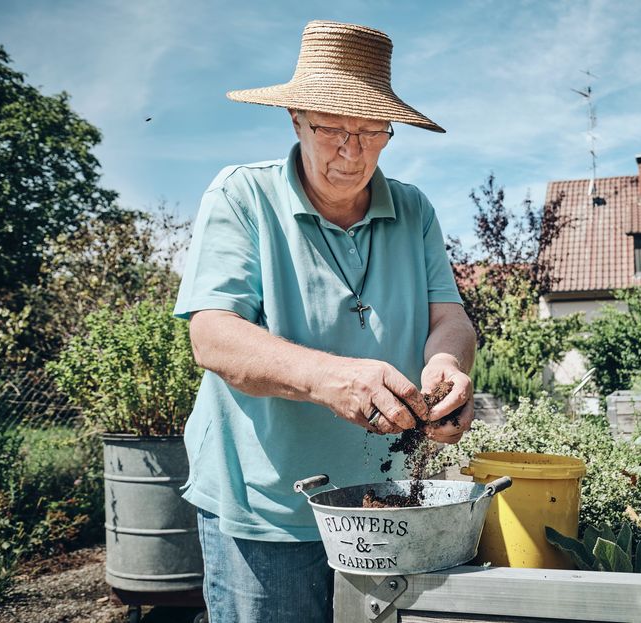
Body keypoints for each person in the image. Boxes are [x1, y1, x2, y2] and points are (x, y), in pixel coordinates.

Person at [172, 20, 476, 622]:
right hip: (267, 513)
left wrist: (445, 364)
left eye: (370, 131)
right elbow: (212, 335)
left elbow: (452, 320)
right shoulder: (242, 196)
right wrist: (330, 378)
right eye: (332, 128)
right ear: (295, 121)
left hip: (385, 509)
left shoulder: (413, 209)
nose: (351, 150)